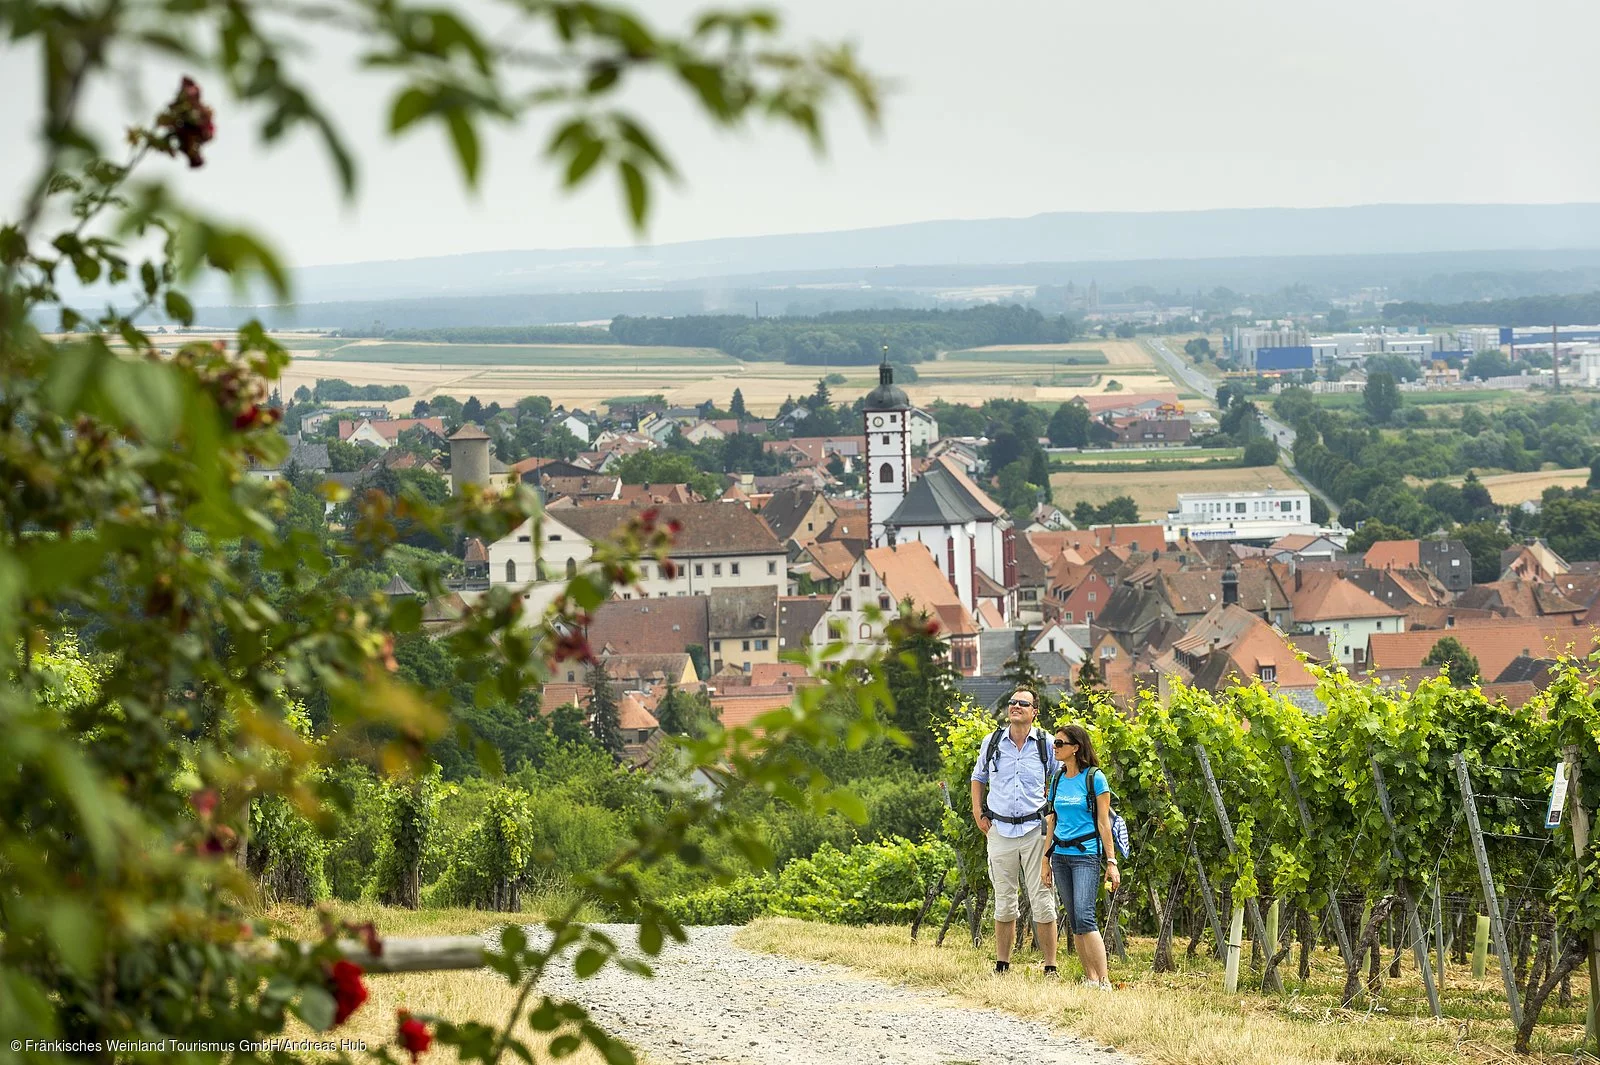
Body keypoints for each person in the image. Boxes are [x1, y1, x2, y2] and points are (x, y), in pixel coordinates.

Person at [969, 686, 1060, 975]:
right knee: (1004, 899)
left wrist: (1054, 817)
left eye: (1023, 703)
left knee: (1043, 898)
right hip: (1000, 830)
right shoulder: (992, 741)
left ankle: (1050, 967)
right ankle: (1002, 964)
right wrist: (977, 811)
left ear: (1035, 712)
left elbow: (1061, 778)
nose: (1015, 706)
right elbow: (978, 776)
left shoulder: (1046, 743)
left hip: (1036, 831)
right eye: (1012, 702)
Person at [1040, 723, 1120, 989]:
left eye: (1060, 744)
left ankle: (1105, 980)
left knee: (1086, 916)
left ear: (1076, 748)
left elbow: (1103, 822)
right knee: (1074, 919)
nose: (1055, 748)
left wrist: (1111, 861)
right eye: (1055, 744)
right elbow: (1051, 821)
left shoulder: (1095, 778)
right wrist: (1045, 860)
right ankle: (1090, 979)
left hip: (1085, 855)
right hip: (1060, 855)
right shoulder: (1057, 779)